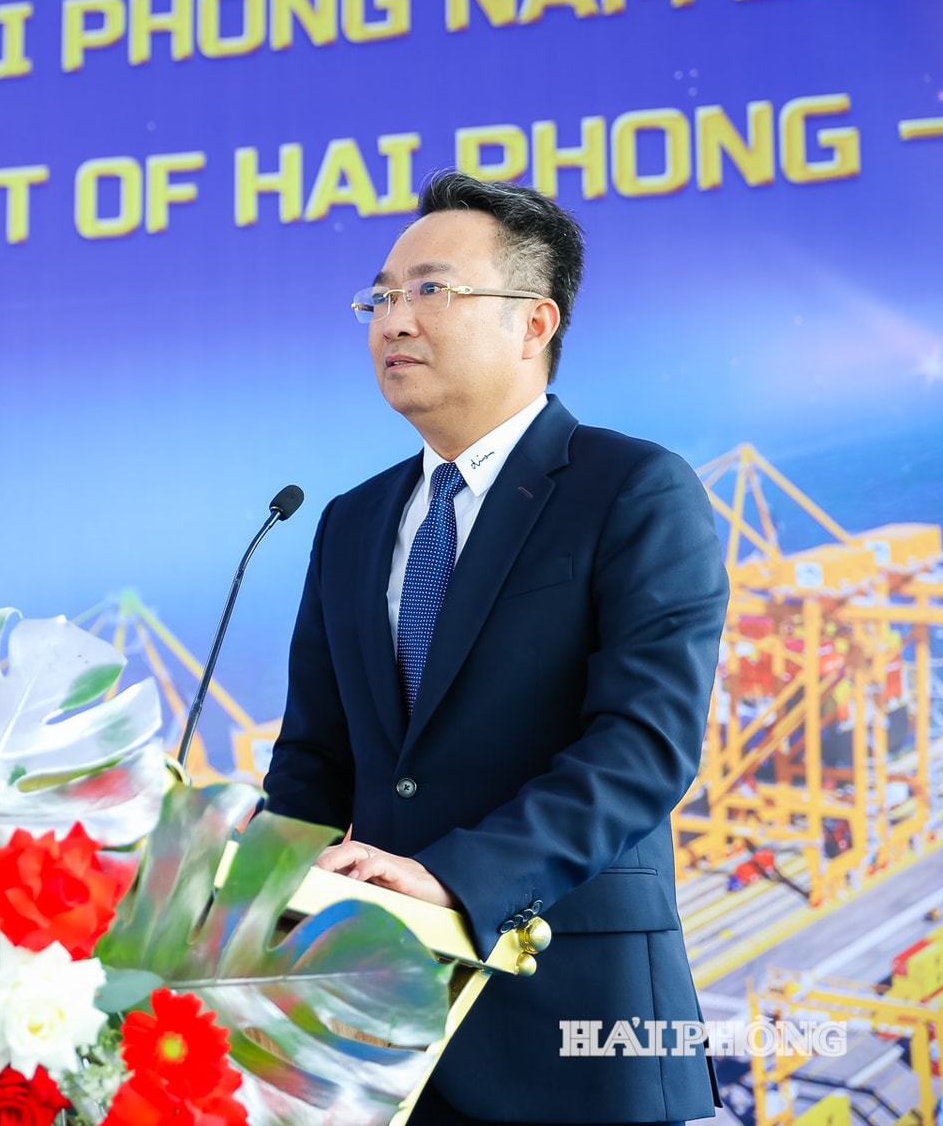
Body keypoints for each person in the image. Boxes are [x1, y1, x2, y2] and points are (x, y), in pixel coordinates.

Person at [262, 172, 728, 1125]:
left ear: (534, 322)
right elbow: (314, 761)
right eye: (381, 297)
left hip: (570, 1023)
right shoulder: (351, 522)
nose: (394, 320)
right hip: (371, 1036)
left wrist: (452, 880)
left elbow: (642, 748)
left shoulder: (633, 489)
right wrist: (249, 912)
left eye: (432, 291)